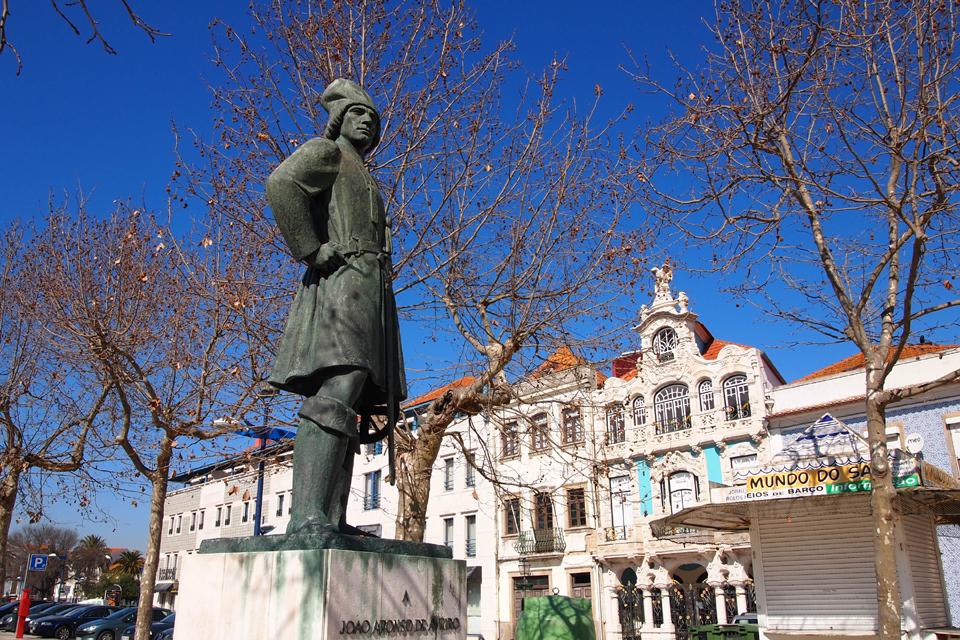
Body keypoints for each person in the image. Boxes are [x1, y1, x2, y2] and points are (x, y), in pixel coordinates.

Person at [266, 78, 406, 534]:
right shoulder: (326, 152)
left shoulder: (363, 172)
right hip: (343, 284)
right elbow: (281, 184)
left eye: (373, 119)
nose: (367, 123)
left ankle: (331, 518)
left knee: (354, 394)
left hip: (371, 290)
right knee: (338, 386)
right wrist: (310, 248)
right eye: (358, 114)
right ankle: (306, 515)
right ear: (339, 118)